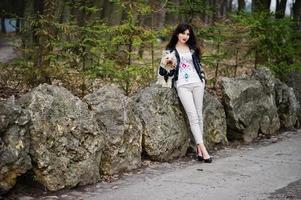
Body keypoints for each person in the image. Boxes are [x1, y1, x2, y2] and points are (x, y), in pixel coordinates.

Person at [159, 23, 212, 163]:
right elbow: (163, 71)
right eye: (183, 33)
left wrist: (202, 80)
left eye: (188, 34)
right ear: (177, 33)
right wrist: (169, 65)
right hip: (182, 85)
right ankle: (203, 149)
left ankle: (199, 150)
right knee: (193, 117)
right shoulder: (170, 50)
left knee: (199, 116)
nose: (185, 36)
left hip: (197, 83)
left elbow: (198, 65)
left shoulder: (192, 48)